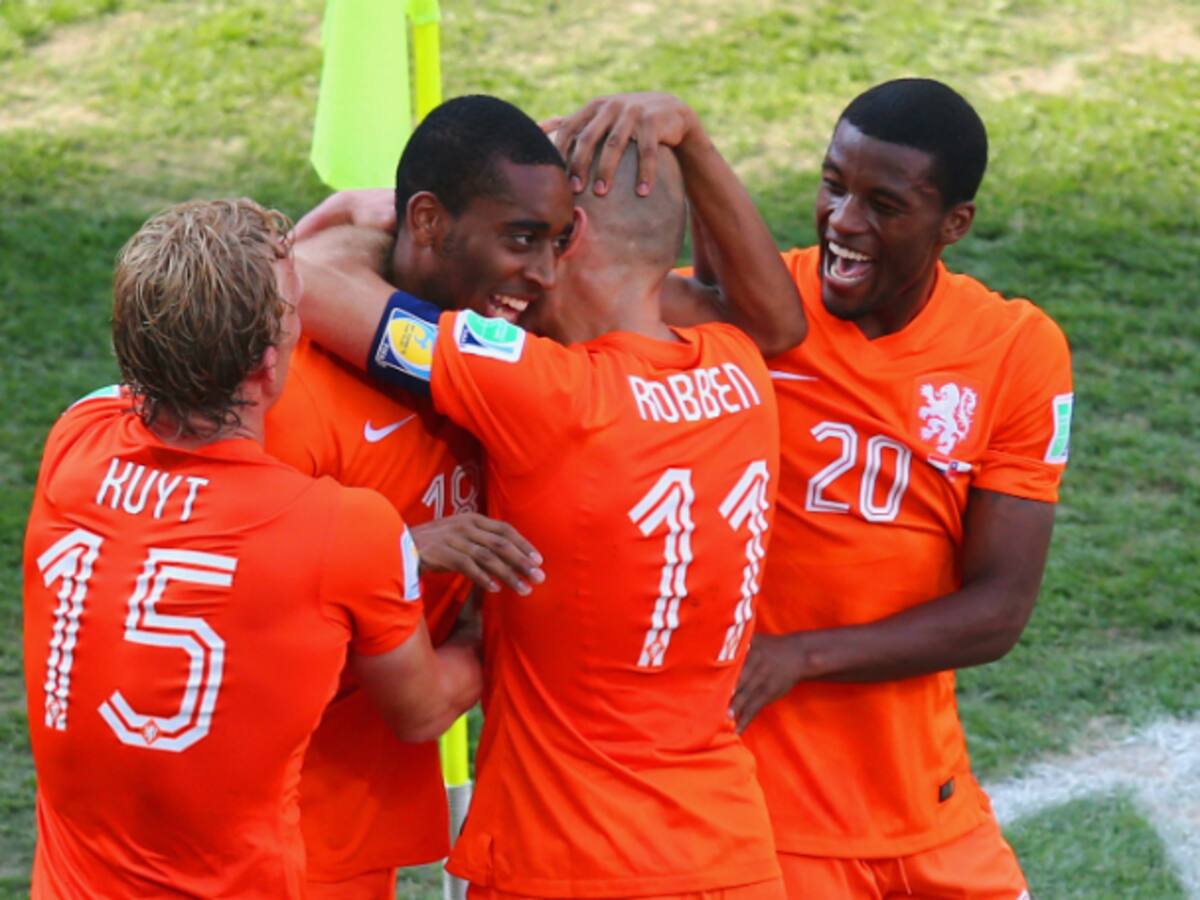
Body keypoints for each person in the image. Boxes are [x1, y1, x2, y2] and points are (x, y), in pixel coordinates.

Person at [295, 92, 806, 898]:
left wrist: (384, 213)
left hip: (567, 860)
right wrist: (696, 143)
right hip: (730, 856)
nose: (531, 270)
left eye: (547, 236)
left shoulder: (545, 390)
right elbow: (771, 316)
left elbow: (305, 278)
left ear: (575, 238)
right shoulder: (739, 369)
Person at [21, 199, 481, 897]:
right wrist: (491, 624)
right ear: (269, 364)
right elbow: (422, 710)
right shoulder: (347, 531)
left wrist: (330, 218)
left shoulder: (75, 442)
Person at [696, 78, 1065, 898]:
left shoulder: (1014, 349)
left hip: (933, 812)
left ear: (953, 223)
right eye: (833, 185)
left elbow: (999, 609)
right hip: (773, 831)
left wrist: (799, 656)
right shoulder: (751, 315)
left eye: (883, 205)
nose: (843, 221)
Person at [263, 96, 561, 898]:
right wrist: (395, 555)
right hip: (273, 837)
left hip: (360, 820)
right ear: (426, 221)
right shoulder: (291, 389)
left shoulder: (511, 365)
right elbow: (237, 605)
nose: (545, 274)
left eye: (558, 241)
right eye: (521, 239)